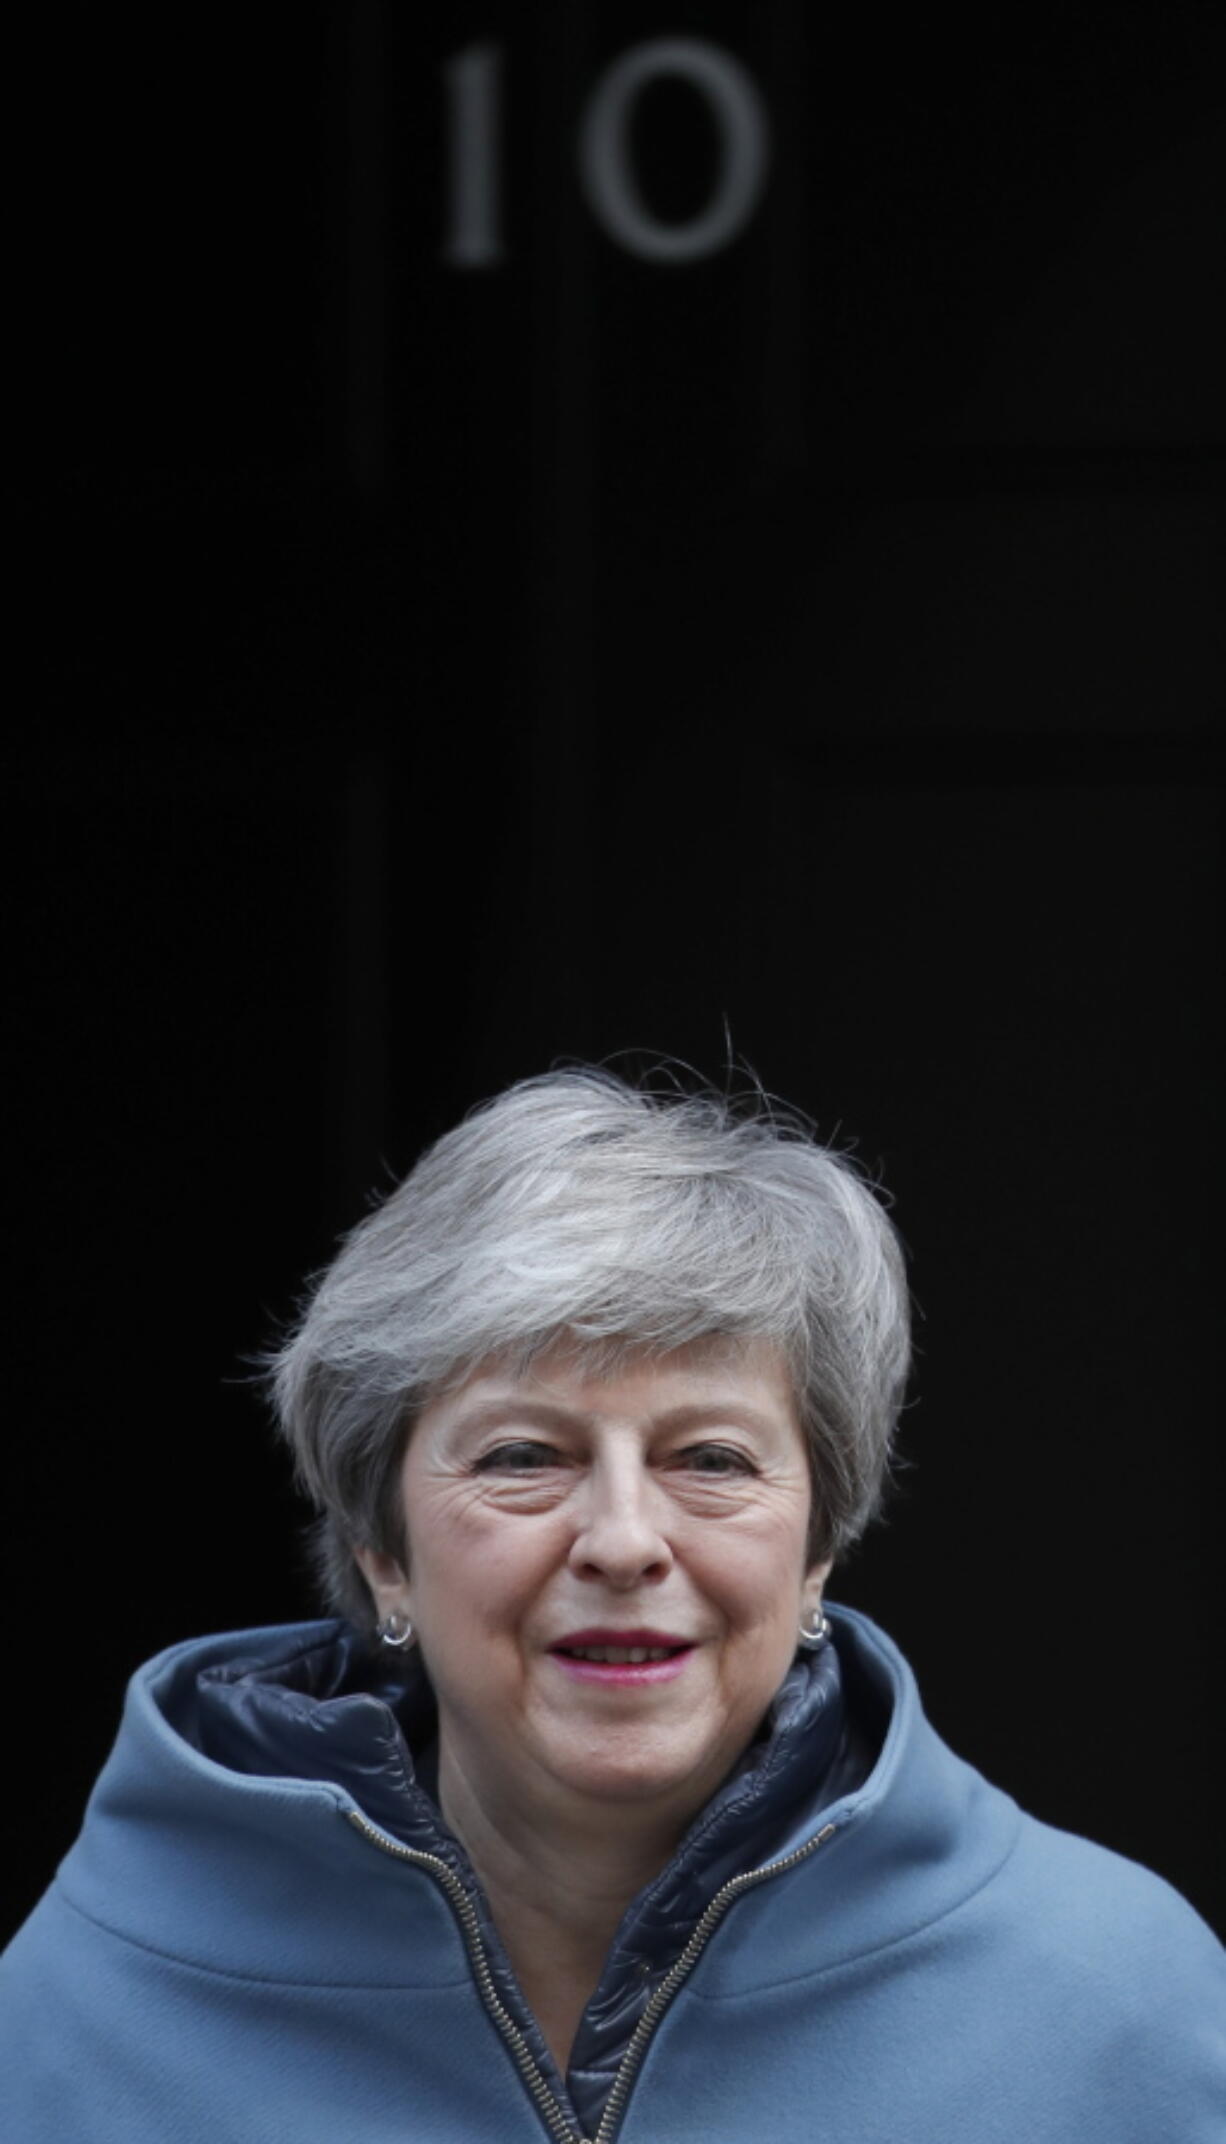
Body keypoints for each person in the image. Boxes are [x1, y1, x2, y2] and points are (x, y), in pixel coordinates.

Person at [1, 1066, 1221, 2144]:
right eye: (523, 1456)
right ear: (381, 1550)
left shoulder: (1126, 2002)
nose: (625, 1539)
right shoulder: (72, 2007)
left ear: (816, 1552)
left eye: (712, 1459)